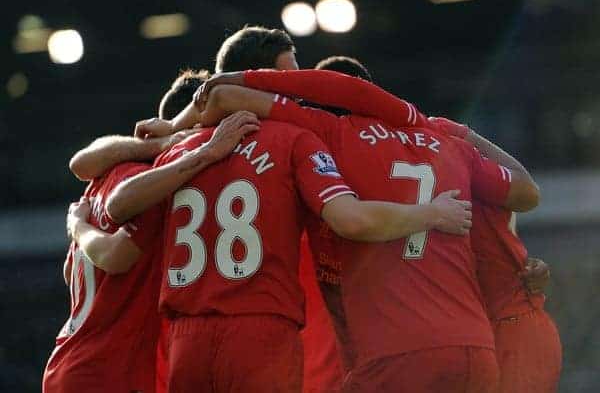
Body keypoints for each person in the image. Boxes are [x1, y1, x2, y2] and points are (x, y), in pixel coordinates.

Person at [154, 60, 541, 392]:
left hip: (395, 354)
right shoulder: (445, 141)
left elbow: (225, 98)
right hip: (474, 350)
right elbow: (526, 192)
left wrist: (177, 128)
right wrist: (467, 134)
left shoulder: (331, 134)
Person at [43, 70, 224, 393]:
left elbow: (71, 271)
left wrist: (79, 227)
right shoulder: (150, 188)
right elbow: (116, 256)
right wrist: (79, 226)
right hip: (109, 372)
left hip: (68, 361)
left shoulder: (104, 177)